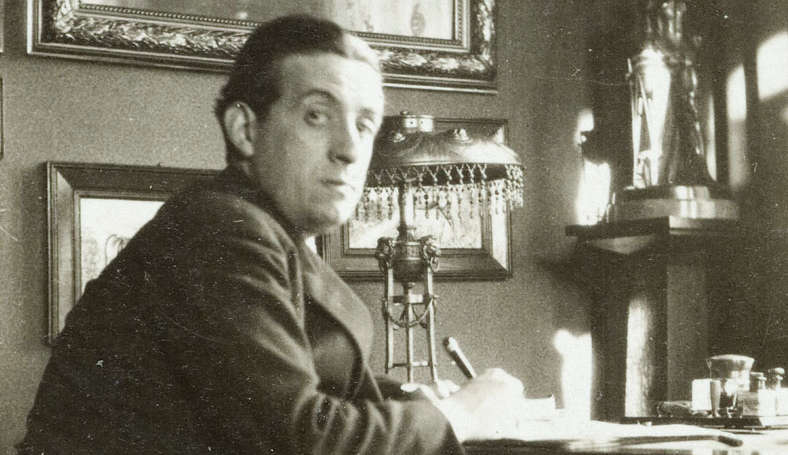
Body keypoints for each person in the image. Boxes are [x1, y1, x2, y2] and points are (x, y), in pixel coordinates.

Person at [18, 15, 527, 455]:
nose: (350, 150)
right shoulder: (221, 230)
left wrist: (411, 400)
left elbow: (298, 386)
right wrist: (459, 415)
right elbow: (297, 439)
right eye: (317, 116)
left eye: (365, 124)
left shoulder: (259, 229)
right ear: (245, 130)